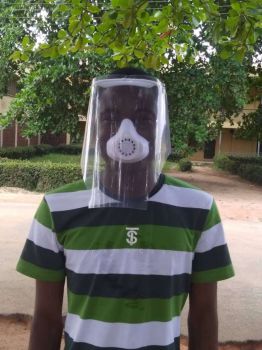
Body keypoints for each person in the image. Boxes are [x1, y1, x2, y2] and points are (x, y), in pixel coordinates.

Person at [17, 67, 234, 350]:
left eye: (144, 117)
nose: (125, 131)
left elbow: (204, 317)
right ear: (95, 128)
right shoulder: (57, 209)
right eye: (110, 117)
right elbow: (46, 318)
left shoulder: (199, 210)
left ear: (160, 128)